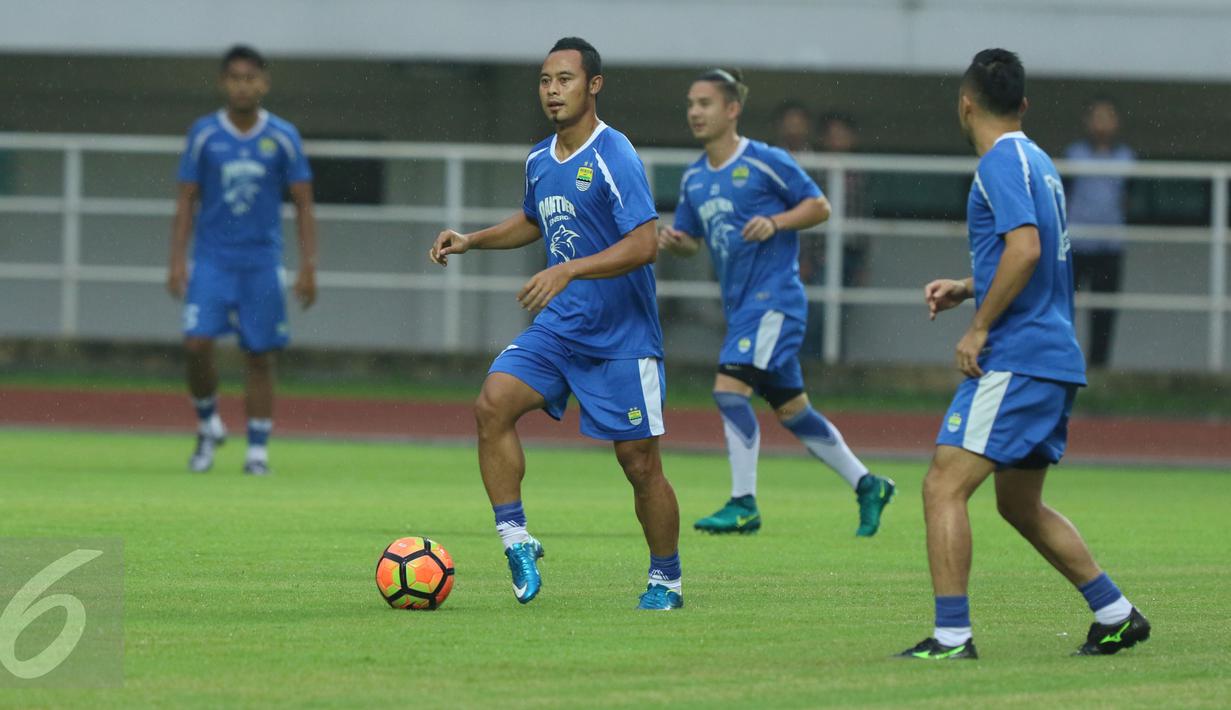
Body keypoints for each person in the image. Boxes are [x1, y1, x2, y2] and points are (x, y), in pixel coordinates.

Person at [899, 49, 1149, 660]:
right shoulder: (1038, 160)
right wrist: (968, 285)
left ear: (965, 103)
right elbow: (1025, 255)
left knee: (942, 486)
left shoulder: (997, 163)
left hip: (1020, 356)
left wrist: (978, 327)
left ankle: (953, 637)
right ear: (1024, 105)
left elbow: (1026, 251)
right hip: (1052, 355)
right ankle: (1116, 613)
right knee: (1018, 502)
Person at [428, 38, 683, 611]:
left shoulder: (614, 154)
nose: (552, 90)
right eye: (545, 80)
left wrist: (569, 270)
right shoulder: (540, 159)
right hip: (562, 328)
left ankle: (666, 579)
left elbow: (645, 245)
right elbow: (531, 219)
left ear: (593, 86)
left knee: (640, 464)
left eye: (564, 79)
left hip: (622, 337)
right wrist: (472, 239)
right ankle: (517, 539)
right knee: (492, 404)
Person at [658, 69, 895, 538]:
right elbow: (691, 241)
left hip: (775, 303)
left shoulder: (765, 161)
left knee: (730, 391)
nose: (695, 112)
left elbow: (820, 206)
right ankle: (868, 484)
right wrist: (675, 241)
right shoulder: (695, 179)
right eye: (690, 103)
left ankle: (743, 502)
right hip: (743, 308)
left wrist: (777, 221)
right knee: (793, 412)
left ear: (732, 110)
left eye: (705, 103)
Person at [168, 44, 318, 476]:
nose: (243, 85)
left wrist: (308, 265)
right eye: (235, 77)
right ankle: (208, 422)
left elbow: (304, 204)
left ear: (264, 83)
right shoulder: (204, 134)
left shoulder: (283, 136)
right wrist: (177, 260)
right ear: (223, 83)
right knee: (196, 343)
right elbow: (185, 200)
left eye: (251, 78)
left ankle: (257, 449)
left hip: (261, 261)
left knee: (260, 354)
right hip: (212, 259)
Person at [1064, 98, 1135, 369]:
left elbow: (1129, 199)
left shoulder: (1126, 158)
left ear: (1116, 122)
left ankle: (1099, 368)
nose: (1102, 123)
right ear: (1088, 121)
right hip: (1077, 243)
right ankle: (1062, 364)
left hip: (1109, 245)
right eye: (1098, 116)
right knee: (1064, 309)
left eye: (1108, 116)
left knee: (1104, 311)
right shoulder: (1074, 155)